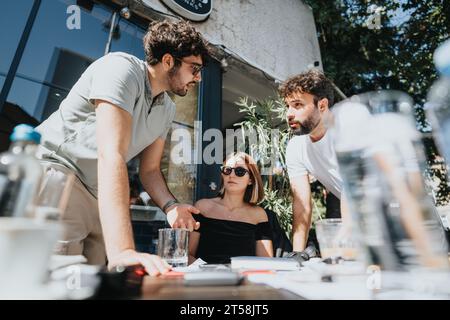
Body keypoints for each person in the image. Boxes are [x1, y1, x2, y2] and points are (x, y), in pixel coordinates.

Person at [35, 19, 210, 276]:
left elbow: (149, 171)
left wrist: (171, 206)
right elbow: (111, 153)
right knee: (56, 284)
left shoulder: (167, 108)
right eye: (194, 68)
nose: (199, 78)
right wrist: (123, 251)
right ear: (169, 61)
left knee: (94, 286)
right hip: (60, 176)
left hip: (98, 194)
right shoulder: (121, 69)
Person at [279, 69, 345, 252]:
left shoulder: (346, 128)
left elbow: (352, 191)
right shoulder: (295, 147)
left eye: (297, 104)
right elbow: (301, 206)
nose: (289, 114)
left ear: (322, 105)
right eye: (287, 106)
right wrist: (297, 256)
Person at [189, 152, 273, 264]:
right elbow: (187, 255)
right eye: (227, 170)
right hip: (205, 277)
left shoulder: (259, 214)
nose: (231, 175)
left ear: (251, 180)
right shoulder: (203, 207)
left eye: (239, 171)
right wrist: (211, 272)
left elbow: (266, 262)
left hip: (243, 278)